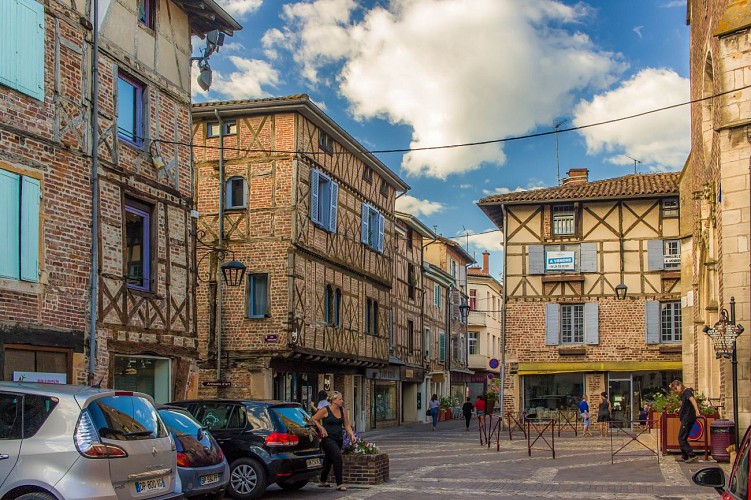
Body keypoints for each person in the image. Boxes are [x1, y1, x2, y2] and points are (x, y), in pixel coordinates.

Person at [311, 391, 357, 491]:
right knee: (337, 457)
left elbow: (347, 425)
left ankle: (323, 480)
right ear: (334, 400)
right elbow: (313, 419)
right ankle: (340, 484)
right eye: (340, 399)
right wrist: (321, 428)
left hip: (338, 439)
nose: (342, 401)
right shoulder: (325, 410)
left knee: (329, 460)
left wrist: (352, 435)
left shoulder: (343, 410)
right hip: (327, 439)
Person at [670, 380, 700, 463]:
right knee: (683, 438)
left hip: (687, 418)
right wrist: (679, 409)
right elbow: (686, 405)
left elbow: (692, 400)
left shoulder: (687, 392)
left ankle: (692, 455)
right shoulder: (684, 393)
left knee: (681, 438)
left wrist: (697, 410)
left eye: (676, 389)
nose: (676, 391)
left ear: (679, 385)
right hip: (685, 418)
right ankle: (684, 456)